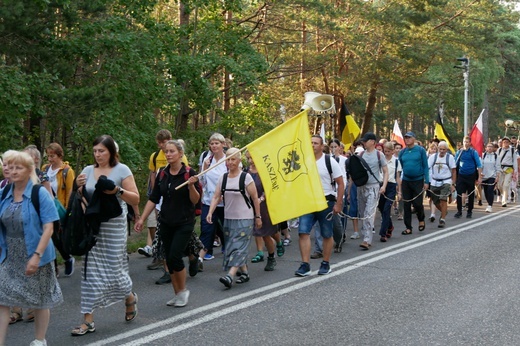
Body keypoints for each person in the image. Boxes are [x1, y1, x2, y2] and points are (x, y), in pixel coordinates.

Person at [71, 135, 140, 336]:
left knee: (115, 269)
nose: (97, 154)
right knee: (89, 271)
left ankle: (129, 297)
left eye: (101, 151)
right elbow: (80, 196)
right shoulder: (87, 170)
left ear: (111, 151)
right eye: (95, 151)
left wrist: (117, 190)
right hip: (93, 225)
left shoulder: (122, 170)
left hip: (115, 225)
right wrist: (77, 186)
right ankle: (87, 320)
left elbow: (135, 197)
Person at [0, 150, 63, 346]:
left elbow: (49, 227)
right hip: (9, 254)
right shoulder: (3, 193)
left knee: (40, 299)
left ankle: (39, 339)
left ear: (29, 170)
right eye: (10, 166)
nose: (12, 170)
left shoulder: (39, 193)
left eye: (18, 167)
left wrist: (36, 255)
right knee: (2, 298)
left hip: (36, 252)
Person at [135, 140, 200, 306]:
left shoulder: (188, 173)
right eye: (166, 152)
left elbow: (195, 200)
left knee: (175, 256)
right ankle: (177, 293)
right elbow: (154, 198)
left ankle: (183, 291)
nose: (168, 154)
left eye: (172, 151)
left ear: (180, 153)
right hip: (165, 221)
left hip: (184, 222)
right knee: (168, 259)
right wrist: (142, 218)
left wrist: (192, 186)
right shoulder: (162, 173)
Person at [206, 148, 261, 288]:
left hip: (245, 218)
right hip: (229, 218)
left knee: (239, 247)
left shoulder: (246, 177)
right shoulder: (223, 178)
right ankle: (245, 273)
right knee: (232, 246)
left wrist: (258, 217)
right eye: (228, 159)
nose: (230, 162)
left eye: (233, 159)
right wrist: (210, 212)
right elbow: (216, 196)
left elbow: (255, 199)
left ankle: (230, 275)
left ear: (239, 160)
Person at [295, 135, 344, 277]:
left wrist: (338, 204)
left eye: (316, 143)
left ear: (322, 146)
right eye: (310, 142)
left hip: (325, 202)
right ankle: (305, 265)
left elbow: (340, 183)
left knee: (326, 233)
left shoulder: (329, 161)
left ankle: (325, 263)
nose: (313, 145)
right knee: (303, 232)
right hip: (307, 202)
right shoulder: (303, 161)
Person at [139, 130, 171, 274]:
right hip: (157, 195)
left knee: (168, 226)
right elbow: (153, 173)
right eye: (159, 143)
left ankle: (189, 254)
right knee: (152, 224)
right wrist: (154, 190)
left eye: (163, 142)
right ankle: (158, 253)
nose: (161, 146)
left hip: (170, 196)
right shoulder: (155, 156)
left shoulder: (176, 154)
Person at [42, 143, 76, 276]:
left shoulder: (67, 171)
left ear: (59, 155)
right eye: (48, 156)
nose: (50, 159)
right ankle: (54, 269)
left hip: (59, 208)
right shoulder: (44, 169)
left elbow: (70, 192)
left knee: (56, 238)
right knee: (49, 237)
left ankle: (67, 258)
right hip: (46, 207)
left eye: (53, 156)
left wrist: (68, 210)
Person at [245, 151, 284, 271]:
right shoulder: (246, 171)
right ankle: (246, 261)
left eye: (252, 157)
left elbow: (269, 188)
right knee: (258, 232)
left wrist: (261, 199)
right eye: (248, 158)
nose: (251, 161)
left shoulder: (264, 171)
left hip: (264, 206)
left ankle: (273, 254)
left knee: (268, 232)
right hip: (250, 206)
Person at [198, 133, 227, 268]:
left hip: (226, 202)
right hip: (209, 200)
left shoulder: (229, 159)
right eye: (212, 143)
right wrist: (203, 171)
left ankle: (230, 255)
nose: (214, 146)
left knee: (226, 230)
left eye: (217, 143)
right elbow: (202, 180)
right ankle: (199, 259)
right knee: (206, 228)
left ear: (223, 145)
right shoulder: (207, 160)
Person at [357, 132, 388, 249]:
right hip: (361, 187)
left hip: (374, 187)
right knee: (362, 212)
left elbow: (385, 171)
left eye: (366, 140)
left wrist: (383, 186)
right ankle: (365, 233)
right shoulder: (360, 155)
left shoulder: (379, 155)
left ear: (372, 142)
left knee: (368, 213)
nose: (363, 143)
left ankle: (366, 240)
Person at [398, 131, 429, 235]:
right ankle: (408, 227)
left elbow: (425, 166)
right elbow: (401, 166)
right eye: (405, 138)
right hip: (406, 181)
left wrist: (427, 181)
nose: (407, 139)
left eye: (409, 137)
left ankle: (421, 219)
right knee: (406, 204)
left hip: (418, 180)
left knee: (417, 203)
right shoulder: (402, 152)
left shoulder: (420, 150)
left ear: (414, 139)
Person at [428, 141, 456, 228]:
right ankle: (444, 211)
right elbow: (427, 168)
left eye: (444, 149)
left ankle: (442, 219)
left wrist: (453, 183)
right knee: (435, 200)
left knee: (443, 200)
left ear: (447, 150)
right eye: (440, 149)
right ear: (438, 149)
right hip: (434, 181)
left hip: (446, 181)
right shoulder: (433, 157)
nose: (442, 151)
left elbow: (454, 171)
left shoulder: (450, 157)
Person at [454, 136, 482, 218]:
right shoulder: (459, 152)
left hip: (471, 175)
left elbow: (479, 165)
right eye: (464, 142)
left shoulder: (473, 152)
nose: (465, 143)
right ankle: (459, 211)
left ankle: (469, 211)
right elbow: (454, 164)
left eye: (467, 142)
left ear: (470, 143)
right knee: (459, 193)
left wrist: (479, 177)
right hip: (461, 175)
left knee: (470, 194)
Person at [378, 141, 400, 241]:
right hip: (381, 185)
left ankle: (383, 233)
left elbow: (398, 177)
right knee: (382, 208)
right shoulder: (380, 160)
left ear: (392, 151)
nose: (386, 153)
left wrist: (399, 191)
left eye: (388, 151)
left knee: (387, 208)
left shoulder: (396, 161)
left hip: (391, 186)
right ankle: (390, 226)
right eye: (384, 151)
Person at [496, 136, 517, 207]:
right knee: (499, 185)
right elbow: (496, 160)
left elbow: (514, 161)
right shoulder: (499, 150)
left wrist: (515, 171)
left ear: (509, 143)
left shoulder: (512, 151)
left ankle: (504, 201)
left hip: (509, 169)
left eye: (507, 142)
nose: (505, 143)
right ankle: (504, 194)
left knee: (506, 185)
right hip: (500, 169)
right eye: (504, 142)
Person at [481, 143, 500, 213]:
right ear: (486, 148)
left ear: (493, 148)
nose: (490, 148)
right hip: (484, 176)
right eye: (488, 146)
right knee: (485, 191)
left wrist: (497, 176)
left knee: (490, 190)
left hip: (492, 176)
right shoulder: (483, 155)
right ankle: (489, 202)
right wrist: (480, 174)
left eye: (491, 147)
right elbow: (480, 165)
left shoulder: (496, 156)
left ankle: (490, 205)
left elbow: (498, 166)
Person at [426, 142, 439, 222]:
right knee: (430, 197)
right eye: (432, 149)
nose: (433, 150)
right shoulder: (426, 157)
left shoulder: (438, 158)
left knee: (434, 197)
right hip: (428, 179)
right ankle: (432, 212)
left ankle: (433, 213)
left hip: (435, 180)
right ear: (429, 149)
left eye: (435, 149)